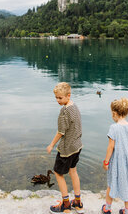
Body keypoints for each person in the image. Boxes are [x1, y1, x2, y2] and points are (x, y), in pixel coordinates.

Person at [47, 82, 83, 214]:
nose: (58, 100)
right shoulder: (74, 106)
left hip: (67, 149)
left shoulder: (64, 112)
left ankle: (66, 204)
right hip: (77, 146)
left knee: (58, 173)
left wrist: (51, 145)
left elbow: (61, 132)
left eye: (60, 98)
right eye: (56, 97)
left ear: (68, 95)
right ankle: (78, 203)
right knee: (73, 171)